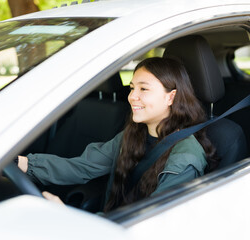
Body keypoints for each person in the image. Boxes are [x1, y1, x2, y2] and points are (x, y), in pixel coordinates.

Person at [17, 57, 218, 212]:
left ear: (171, 97)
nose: (132, 97)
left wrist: (67, 217)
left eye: (144, 89)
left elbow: (152, 222)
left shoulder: (185, 157)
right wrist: (22, 164)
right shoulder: (132, 135)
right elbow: (81, 167)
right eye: (132, 88)